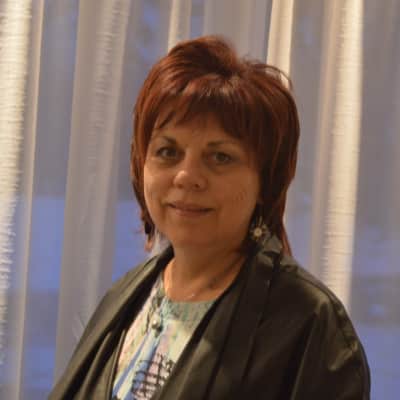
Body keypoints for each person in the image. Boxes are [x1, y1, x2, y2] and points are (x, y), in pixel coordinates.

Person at [49, 36, 370, 400]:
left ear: (265, 181)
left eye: (220, 157)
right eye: (168, 151)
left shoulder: (309, 325)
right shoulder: (125, 297)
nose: (187, 176)